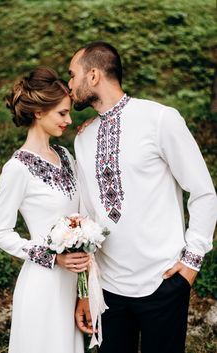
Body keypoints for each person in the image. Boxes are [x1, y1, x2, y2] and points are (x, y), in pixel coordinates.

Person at [69, 42, 217, 353]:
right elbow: (85, 219)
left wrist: (191, 263)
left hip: (163, 282)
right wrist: (87, 290)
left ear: (93, 75)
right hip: (109, 290)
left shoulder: (160, 119)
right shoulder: (83, 139)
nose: (69, 85)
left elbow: (203, 192)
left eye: (72, 75)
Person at [0, 67, 90, 353]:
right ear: (38, 112)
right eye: (62, 113)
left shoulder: (66, 156)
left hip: (72, 285)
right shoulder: (17, 168)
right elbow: (0, 233)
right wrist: (51, 258)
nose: (69, 120)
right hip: (42, 284)